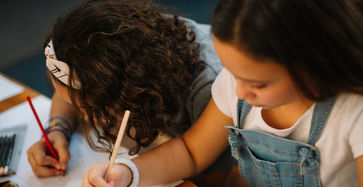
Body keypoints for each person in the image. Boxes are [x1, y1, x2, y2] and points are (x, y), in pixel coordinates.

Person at [80, 0, 363, 187]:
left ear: (315, 63)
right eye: (232, 73)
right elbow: (191, 152)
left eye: (258, 83)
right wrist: (127, 172)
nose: (240, 91)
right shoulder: (236, 85)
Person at [26, 0, 232, 177]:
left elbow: (210, 173)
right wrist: (58, 128)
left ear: (124, 91)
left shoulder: (209, 89)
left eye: (88, 109)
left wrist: (127, 176)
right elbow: (68, 91)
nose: (84, 118)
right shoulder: (125, 45)